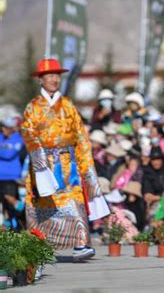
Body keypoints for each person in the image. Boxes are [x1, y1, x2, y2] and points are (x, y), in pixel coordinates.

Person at [21, 58, 103, 261]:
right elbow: (27, 132)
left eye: (57, 75)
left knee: (75, 202)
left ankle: (81, 244)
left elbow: (81, 136)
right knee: (42, 208)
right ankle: (38, 248)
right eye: (49, 75)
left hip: (69, 166)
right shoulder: (32, 107)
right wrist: (39, 158)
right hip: (44, 165)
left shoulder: (68, 105)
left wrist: (86, 167)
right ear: (41, 79)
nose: (54, 79)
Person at [0, 116, 25, 229]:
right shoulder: (1, 137)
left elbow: (9, 154)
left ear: (11, 128)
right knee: (4, 205)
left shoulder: (18, 138)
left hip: (11, 176)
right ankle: (8, 226)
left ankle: (18, 225)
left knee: (11, 202)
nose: (3, 129)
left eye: (6, 127)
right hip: (1, 175)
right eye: (3, 127)